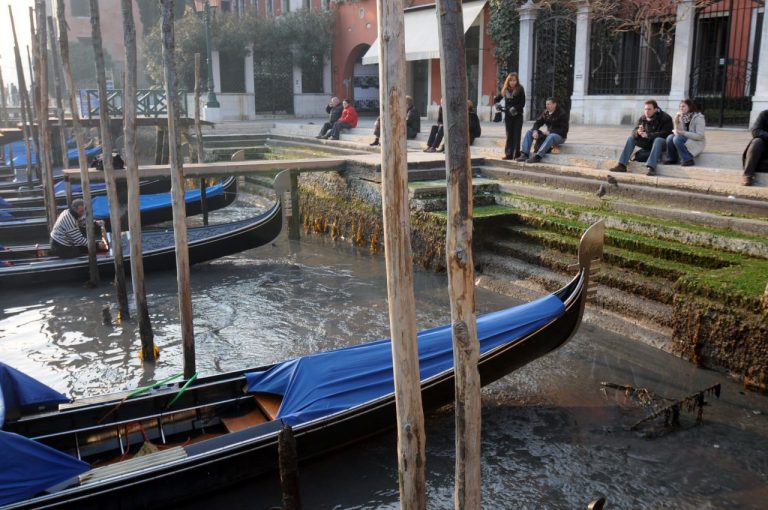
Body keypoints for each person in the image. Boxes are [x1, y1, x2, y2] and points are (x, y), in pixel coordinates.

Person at [609, 100, 673, 176]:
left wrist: (649, 135)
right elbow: (634, 131)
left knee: (658, 140)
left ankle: (651, 168)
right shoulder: (643, 118)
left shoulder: (665, 118)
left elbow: (666, 134)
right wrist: (638, 132)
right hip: (648, 143)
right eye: (645, 109)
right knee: (631, 138)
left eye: (649, 109)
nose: (646, 111)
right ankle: (622, 165)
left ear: (655, 109)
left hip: (662, 143)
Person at [516, 97, 569, 164]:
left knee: (551, 136)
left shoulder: (562, 114)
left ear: (554, 104)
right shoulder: (545, 112)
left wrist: (550, 132)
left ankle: (538, 156)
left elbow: (564, 131)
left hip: (560, 136)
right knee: (530, 132)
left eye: (549, 104)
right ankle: (525, 154)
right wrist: (535, 131)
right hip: (548, 134)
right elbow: (537, 123)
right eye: (546, 104)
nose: (547, 106)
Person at [664, 99, 706, 167]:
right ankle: (672, 158)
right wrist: (676, 122)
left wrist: (683, 133)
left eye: (683, 106)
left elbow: (700, 136)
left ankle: (688, 160)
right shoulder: (682, 117)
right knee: (670, 137)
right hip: (686, 139)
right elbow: (678, 132)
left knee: (677, 139)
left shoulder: (699, 118)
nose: (681, 108)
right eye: (680, 106)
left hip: (696, 142)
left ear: (690, 107)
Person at [494, 72, 526, 160]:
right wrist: (497, 104)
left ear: (517, 81)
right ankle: (508, 154)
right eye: (511, 80)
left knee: (516, 135)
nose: (512, 82)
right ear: (508, 81)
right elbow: (496, 99)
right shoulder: (505, 89)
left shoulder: (520, 89)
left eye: (514, 80)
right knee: (509, 135)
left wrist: (515, 108)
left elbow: (522, 103)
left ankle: (516, 154)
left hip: (517, 115)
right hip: (508, 116)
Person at [742, 109, 768, 186]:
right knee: (757, 142)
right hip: (764, 148)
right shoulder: (764, 114)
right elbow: (755, 131)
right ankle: (748, 176)